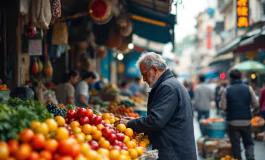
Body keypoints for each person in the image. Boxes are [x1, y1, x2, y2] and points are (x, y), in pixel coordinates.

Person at [115, 52, 197, 160]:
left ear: (154, 69)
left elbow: (156, 120)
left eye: (144, 74)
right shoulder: (170, 84)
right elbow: (162, 117)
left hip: (175, 153)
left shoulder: (168, 87)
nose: (143, 79)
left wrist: (130, 124)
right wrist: (137, 121)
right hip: (175, 150)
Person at [219, 69, 258, 160]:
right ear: (240, 77)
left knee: (235, 144)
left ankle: (238, 158)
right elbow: (255, 104)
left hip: (232, 121)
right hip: (246, 121)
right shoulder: (248, 88)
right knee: (248, 142)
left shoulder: (227, 90)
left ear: (230, 78)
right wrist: (249, 108)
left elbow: (223, 107)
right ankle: (250, 157)